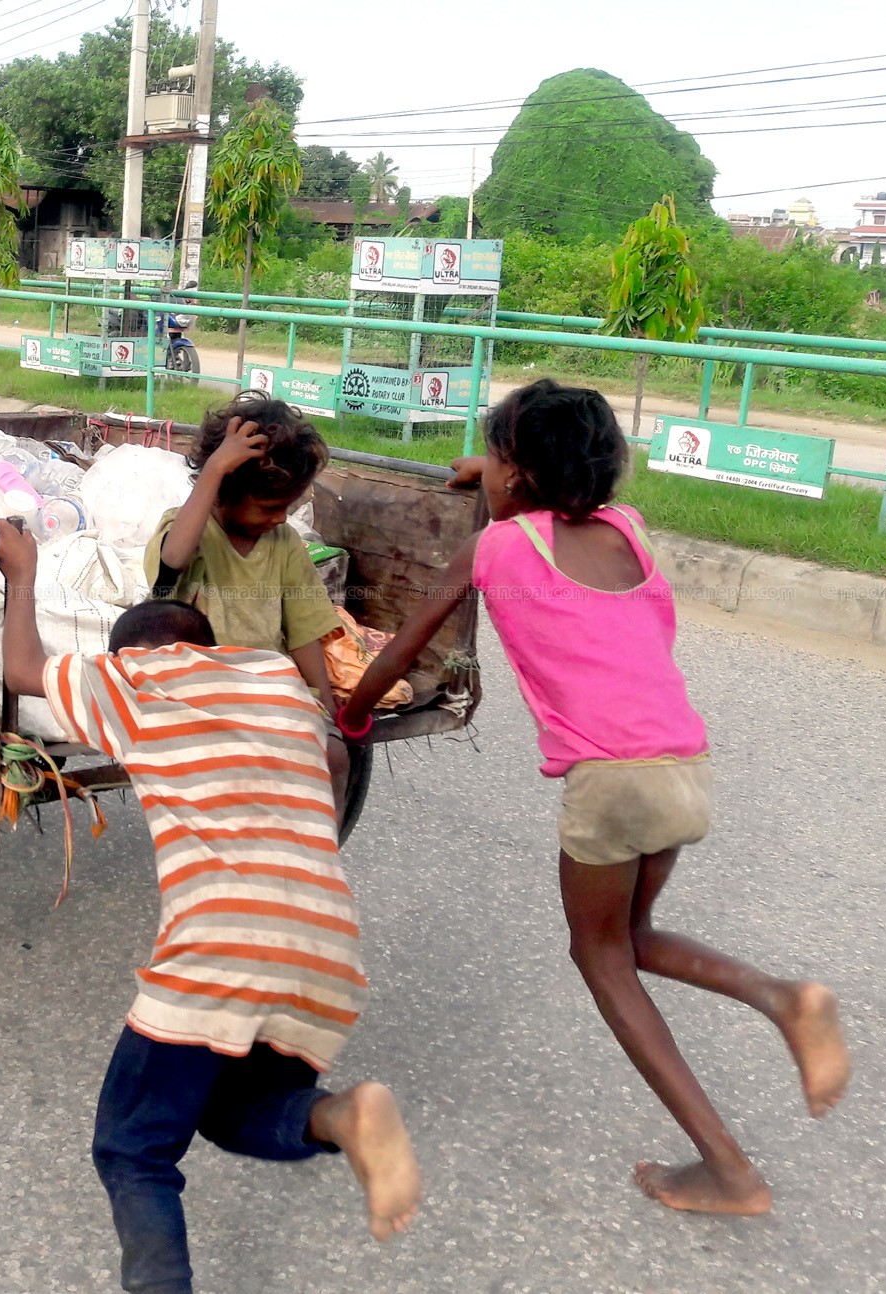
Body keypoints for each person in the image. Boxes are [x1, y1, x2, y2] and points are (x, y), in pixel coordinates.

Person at [338, 379, 851, 1217]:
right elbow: (539, 501)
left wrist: (355, 715)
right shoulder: (630, 531)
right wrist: (489, 469)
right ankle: (786, 999)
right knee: (631, 937)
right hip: (682, 760)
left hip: (609, 779)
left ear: (521, 477)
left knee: (600, 955)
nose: (489, 472)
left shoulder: (498, 552)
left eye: (496, 456)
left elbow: (400, 652)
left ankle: (729, 1165)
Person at [0, 519, 420, 1293]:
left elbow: (22, 668)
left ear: (127, 656)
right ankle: (343, 1117)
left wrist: (19, 571)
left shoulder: (130, 682)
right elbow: (330, 757)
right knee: (229, 1109)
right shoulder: (270, 677)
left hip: (220, 946)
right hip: (327, 947)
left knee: (133, 1148)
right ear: (206, 642)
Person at [145, 392, 353, 800]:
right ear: (223, 491)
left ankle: (315, 855)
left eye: (287, 507)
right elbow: (173, 557)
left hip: (266, 689)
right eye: (270, 507)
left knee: (334, 757)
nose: (281, 517)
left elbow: (304, 630)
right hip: (198, 692)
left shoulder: (285, 542)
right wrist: (216, 469)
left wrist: (327, 710)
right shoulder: (192, 530)